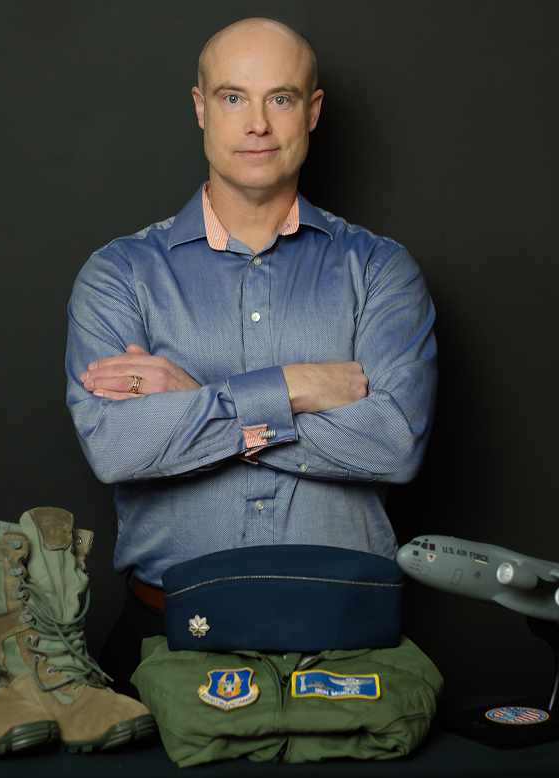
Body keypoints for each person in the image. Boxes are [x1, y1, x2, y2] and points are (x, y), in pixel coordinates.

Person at [66, 18, 437, 696]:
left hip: (346, 648)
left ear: (312, 111)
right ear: (201, 107)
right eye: (233, 97)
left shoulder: (381, 271)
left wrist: (197, 401)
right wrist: (292, 387)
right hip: (163, 638)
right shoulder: (119, 275)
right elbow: (117, 447)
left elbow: (395, 443)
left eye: (281, 98)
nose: (257, 124)